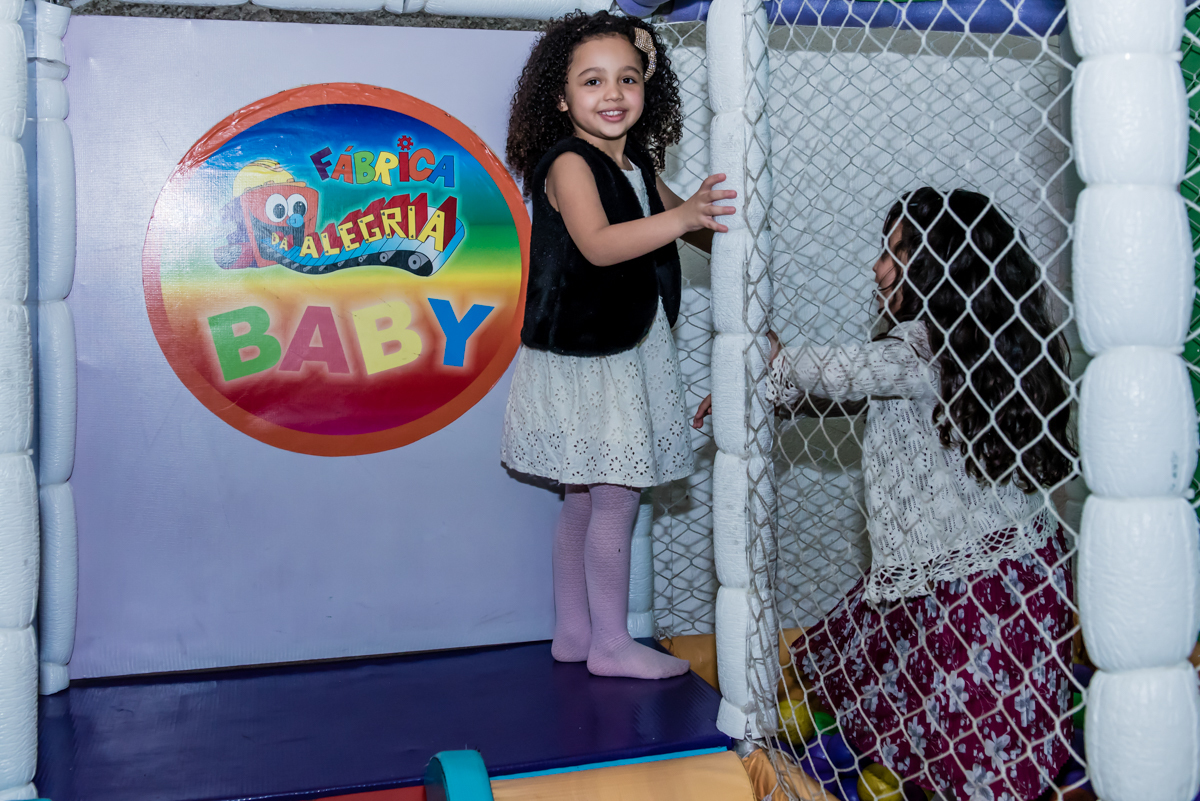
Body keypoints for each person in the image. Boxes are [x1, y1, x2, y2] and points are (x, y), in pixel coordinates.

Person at [695, 188, 1077, 800]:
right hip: (998, 565)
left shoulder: (922, 349)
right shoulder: (971, 351)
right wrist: (764, 389)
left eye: (894, 253)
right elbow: (847, 394)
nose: (876, 269)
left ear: (940, 267)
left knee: (969, 723)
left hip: (979, 583)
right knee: (884, 669)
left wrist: (769, 358)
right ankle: (899, 762)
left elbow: (844, 372)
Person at [501, 11, 736, 680]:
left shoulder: (636, 165)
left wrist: (719, 225)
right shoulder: (568, 163)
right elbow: (601, 245)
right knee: (614, 497)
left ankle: (575, 633)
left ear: (646, 89)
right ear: (560, 97)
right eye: (593, 81)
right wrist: (683, 216)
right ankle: (610, 642)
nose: (612, 93)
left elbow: (689, 228)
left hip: (621, 347)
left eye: (627, 79)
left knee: (583, 497)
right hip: (591, 355)